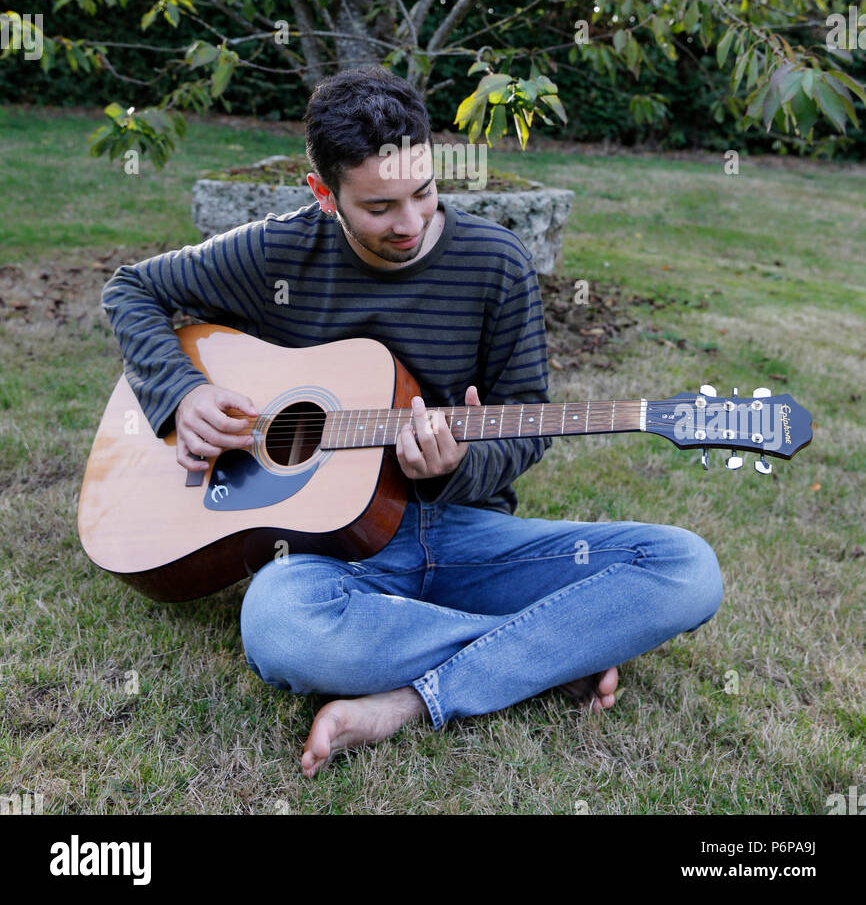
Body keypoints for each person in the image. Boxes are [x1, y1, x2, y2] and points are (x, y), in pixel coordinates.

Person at [102, 64, 723, 778]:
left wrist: (459, 463)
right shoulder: (278, 250)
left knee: (686, 568)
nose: (410, 222)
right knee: (278, 628)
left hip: (466, 535)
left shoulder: (495, 263)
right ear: (324, 195)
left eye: (424, 192)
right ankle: (547, 656)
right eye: (379, 207)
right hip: (333, 553)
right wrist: (182, 393)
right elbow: (132, 288)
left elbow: (527, 426)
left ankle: (410, 700)